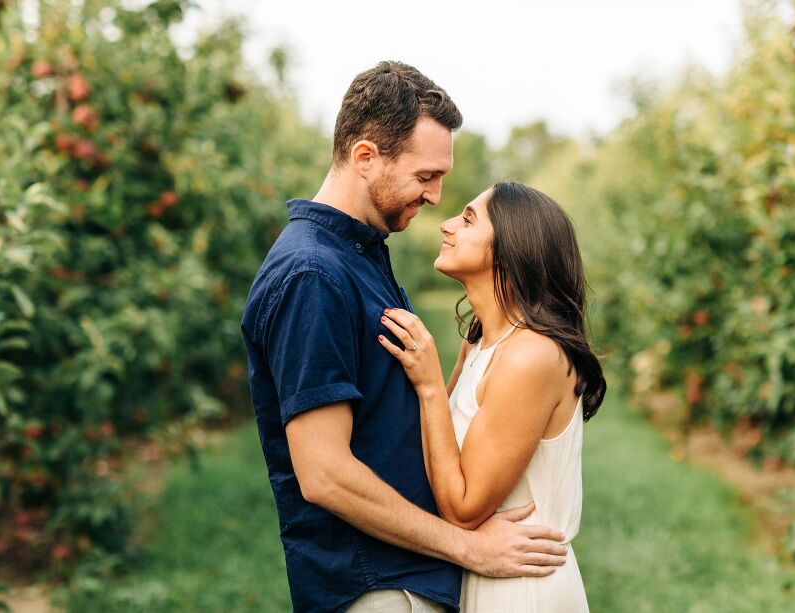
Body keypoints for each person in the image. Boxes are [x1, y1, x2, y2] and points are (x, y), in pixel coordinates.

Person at [240, 62, 568, 613]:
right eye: (425, 177)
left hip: (407, 579)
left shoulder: (358, 257)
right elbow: (325, 475)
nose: (437, 197)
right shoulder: (314, 275)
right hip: (379, 585)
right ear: (365, 157)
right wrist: (470, 548)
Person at [378, 182, 607, 612]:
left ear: (511, 249)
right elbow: (437, 454)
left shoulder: (530, 356)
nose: (446, 225)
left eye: (467, 219)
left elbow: (462, 509)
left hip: (522, 587)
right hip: (485, 573)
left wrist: (429, 386)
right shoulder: (480, 341)